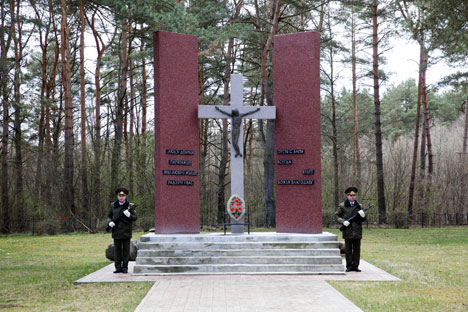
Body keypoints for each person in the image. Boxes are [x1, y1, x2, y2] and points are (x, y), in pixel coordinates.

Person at [107, 187, 137, 273]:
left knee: (126, 251)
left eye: (123, 195)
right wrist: (109, 222)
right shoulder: (113, 205)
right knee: (117, 251)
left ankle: (125, 267)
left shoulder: (130, 206)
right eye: (119, 195)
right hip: (116, 231)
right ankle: (117, 267)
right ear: (117, 196)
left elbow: (135, 218)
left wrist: (129, 215)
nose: (121, 197)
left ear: (126, 196)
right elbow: (109, 216)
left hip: (126, 231)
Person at [335, 187, 366, 272]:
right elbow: (337, 216)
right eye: (350, 195)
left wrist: (363, 216)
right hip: (347, 230)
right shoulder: (342, 205)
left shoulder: (359, 206)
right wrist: (343, 222)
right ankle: (349, 266)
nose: (352, 197)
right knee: (348, 250)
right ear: (347, 195)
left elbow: (363, 220)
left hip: (357, 231)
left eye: (354, 195)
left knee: (357, 249)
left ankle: (355, 266)